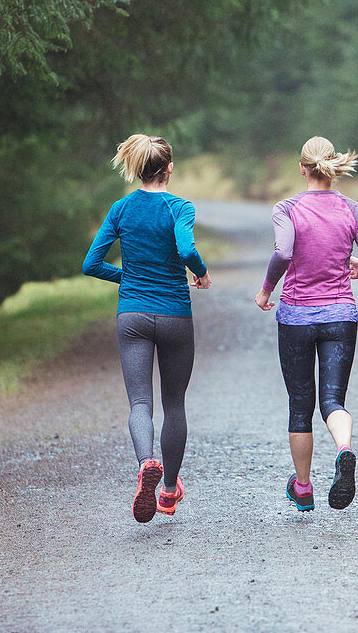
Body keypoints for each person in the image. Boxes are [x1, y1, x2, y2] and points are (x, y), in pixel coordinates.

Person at [82, 134, 211, 523]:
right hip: (174, 312)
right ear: (170, 168)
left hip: (133, 315)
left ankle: (146, 464)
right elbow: (186, 249)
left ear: (138, 169)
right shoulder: (179, 207)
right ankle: (169, 490)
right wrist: (201, 274)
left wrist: (129, 279)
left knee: (140, 403)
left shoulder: (121, 208)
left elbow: (91, 264)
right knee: (174, 404)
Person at [255, 136, 358, 513]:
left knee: (300, 405)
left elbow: (283, 251)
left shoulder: (287, 208)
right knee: (333, 400)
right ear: (332, 167)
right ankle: (344, 449)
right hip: (340, 316)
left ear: (302, 167)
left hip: (296, 315)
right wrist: (356, 264)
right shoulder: (353, 209)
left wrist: (266, 290)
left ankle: (303, 487)